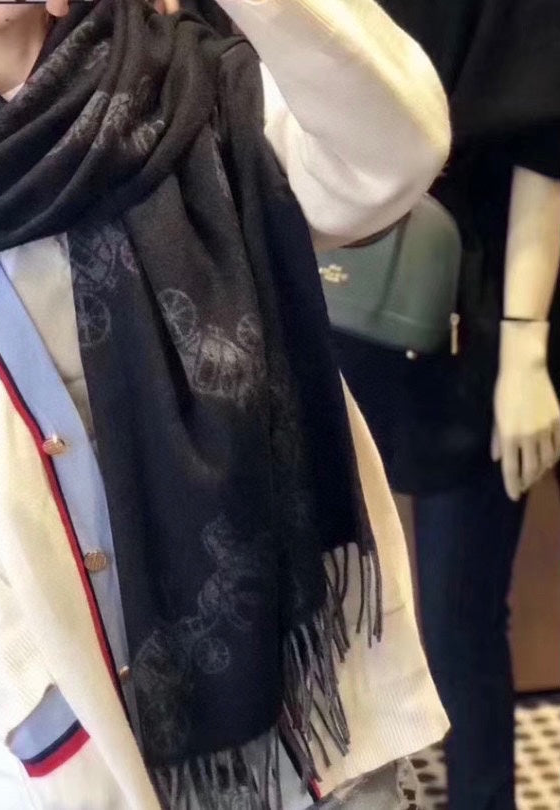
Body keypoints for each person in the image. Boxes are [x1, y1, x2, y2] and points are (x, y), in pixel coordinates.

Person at [0, 0, 452, 807]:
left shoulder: (192, 86)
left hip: (299, 701)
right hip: (67, 732)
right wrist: (43, 700)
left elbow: (388, 160)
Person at [331, 2, 560, 808]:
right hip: (319, 288)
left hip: (479, 300)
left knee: (460, 615)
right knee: (331, 602)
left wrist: (525, 344)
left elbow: (543, 140)